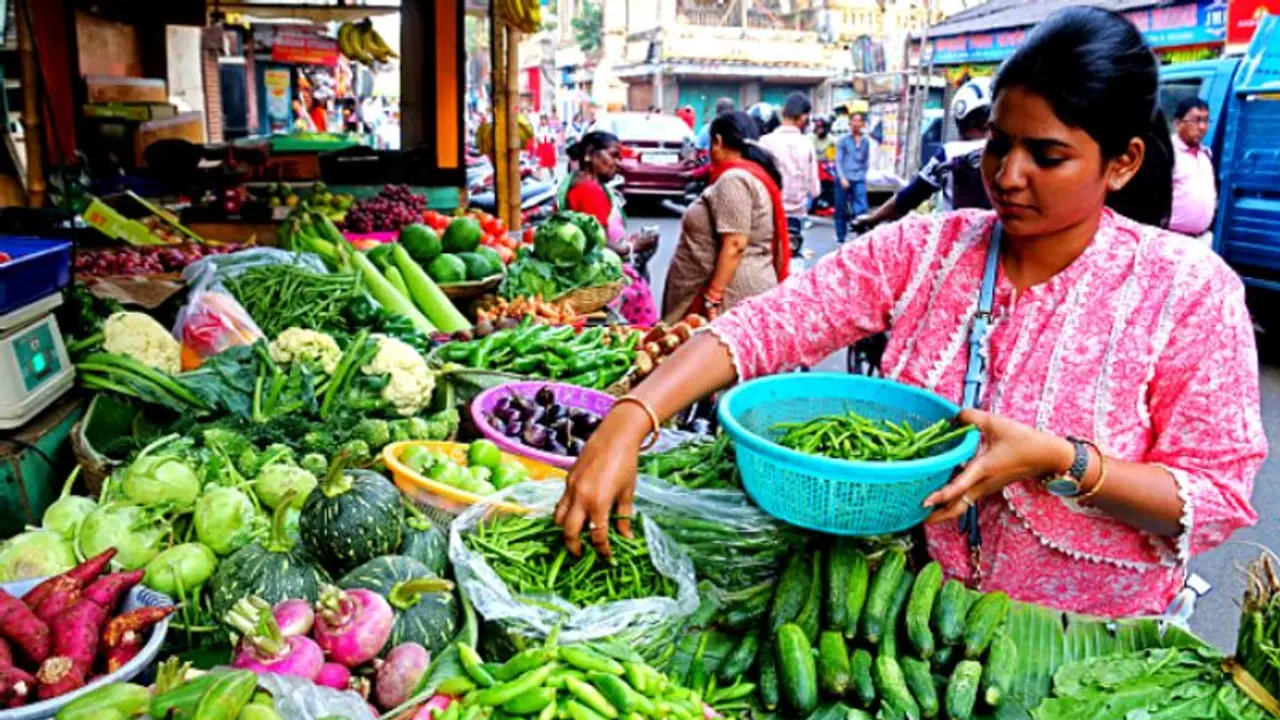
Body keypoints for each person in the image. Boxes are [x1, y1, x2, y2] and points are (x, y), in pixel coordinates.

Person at [555, 7, 1263, 618]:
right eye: (998, 143)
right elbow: (768, 324)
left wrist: (1063, 460)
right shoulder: (929, 251)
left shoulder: (1188, 290)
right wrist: (631, 417)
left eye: (1046, 156)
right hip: (904, 622)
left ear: (1123, 162)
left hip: (1085, 645)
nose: (1007, 175)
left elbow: (1214, 496)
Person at [662, 111, 790, 323]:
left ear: (718, 142)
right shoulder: (751, 174)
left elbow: (735, 244)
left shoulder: (733, 179)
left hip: (732, 295)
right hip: (743, 287)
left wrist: (713, 296)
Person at [856, 77, 994, 232]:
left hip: (959, 239)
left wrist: (872, 219)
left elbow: (909, 197)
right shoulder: (1007, 150)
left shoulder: (950, 153)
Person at [559, 131, 659, 326]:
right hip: (597, 281)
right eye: (613, 155)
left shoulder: (578, 182)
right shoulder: (590, 190)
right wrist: (632, 247)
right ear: (589, 155)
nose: (618, 163)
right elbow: (600, 244)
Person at [759, 93, 820, 253]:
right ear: (804, 117)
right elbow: (815, 190)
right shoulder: (807, 143)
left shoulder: (765, 142)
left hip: (770, 213)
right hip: (796, 217)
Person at [1168, 97, 1216, 243]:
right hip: (1173, 238)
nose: (1202, 127)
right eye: (1196, 120)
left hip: (1202, 238)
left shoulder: (1205, 154)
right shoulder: (1168, 153)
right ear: (1178, 123)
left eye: (1206, 121)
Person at [834, 112, 871, 243]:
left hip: (859, 178)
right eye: (853, 121)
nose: (856, 124)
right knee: (841, 208)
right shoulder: (843, 141)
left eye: (858, 121)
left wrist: (863, 174)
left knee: (862, 207)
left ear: (863, 124)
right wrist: (842, 178)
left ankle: (861, 235)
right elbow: (838, 161)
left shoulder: (866, 142)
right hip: (844, 178)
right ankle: (841, 237)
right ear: (850, 123)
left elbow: (866, 160)